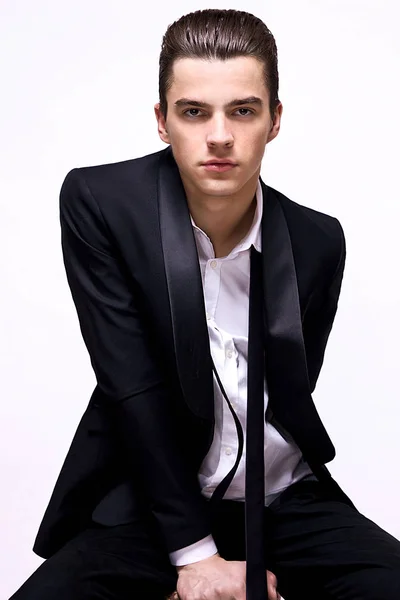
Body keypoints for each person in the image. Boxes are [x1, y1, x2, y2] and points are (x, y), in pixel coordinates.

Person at [10, 8, 400, 600]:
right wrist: (196, 558)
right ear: (163, 121)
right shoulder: (102, 203)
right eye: (195, 112)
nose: (220, 135)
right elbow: (131, 387)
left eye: (243, 110)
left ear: (274, 121)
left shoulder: (320, 240)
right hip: (152, 503)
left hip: (280, 499)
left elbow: (288, 390)